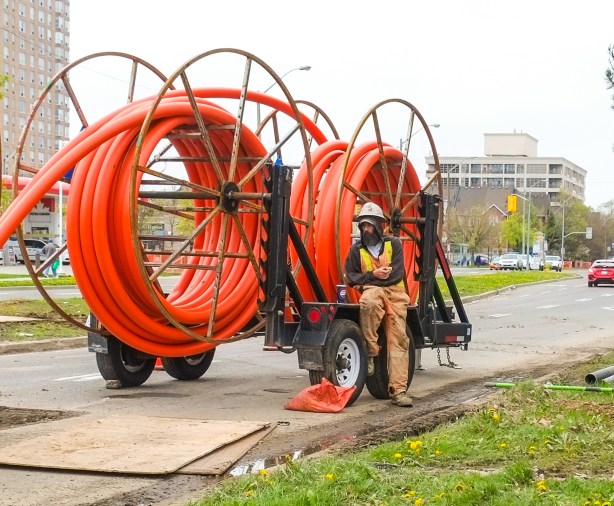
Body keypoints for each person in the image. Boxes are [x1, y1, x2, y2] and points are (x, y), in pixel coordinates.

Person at [344, 202, 413, 407]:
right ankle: (371, 352)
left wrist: (367, 279)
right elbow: (351, 277)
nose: (366, 229)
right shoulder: (356, 250)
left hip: (396, 294)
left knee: (399, 340)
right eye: (363, 226)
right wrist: (372, 275)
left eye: (369, 225)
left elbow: (397, 274)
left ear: (379, 225)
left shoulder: (394, 244)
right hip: (373, 291)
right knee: (368, 302)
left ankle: (399, 391)